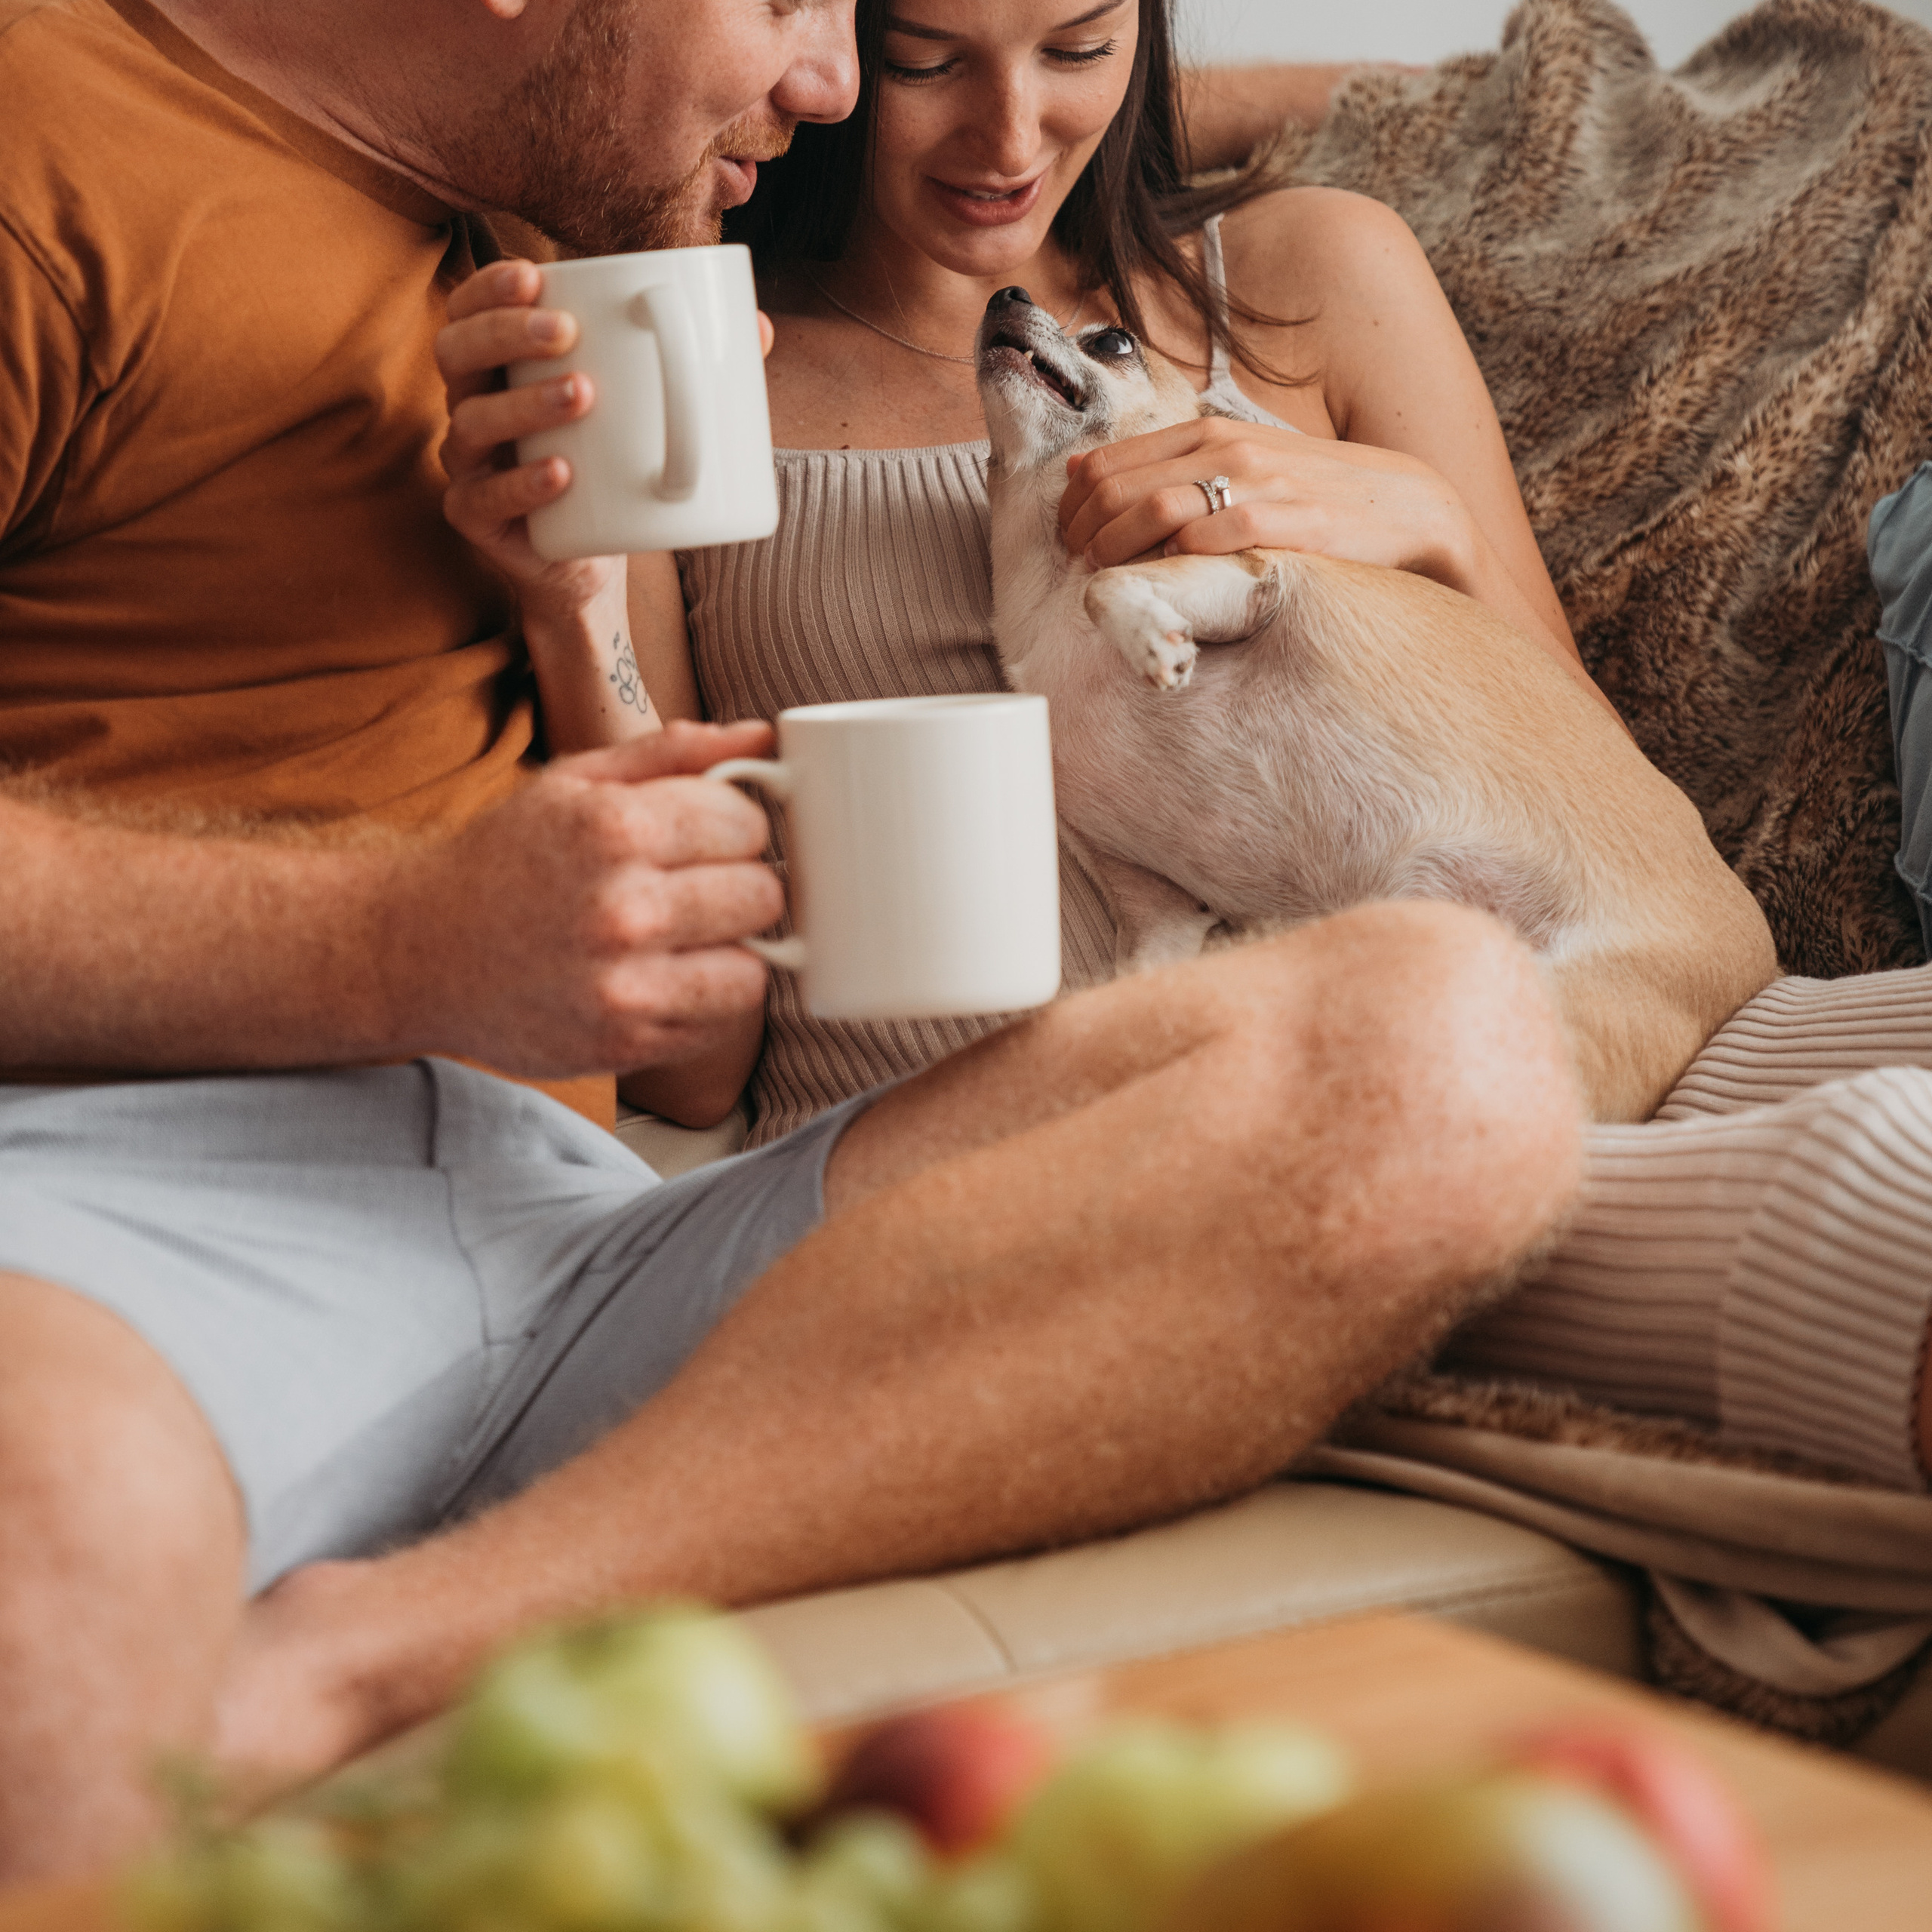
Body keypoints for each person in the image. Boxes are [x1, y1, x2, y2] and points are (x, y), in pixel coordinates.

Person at [0, 0, 1586, 1881]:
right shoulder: (51, 146)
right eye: (790, 3)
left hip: (570, 1220)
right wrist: (398, 939)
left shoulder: (554, 193)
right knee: (60, 1512)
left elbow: (1057, 97)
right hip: (116, 1206)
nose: (829, 76)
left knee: (1442, 1052)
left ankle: (362, 1655)